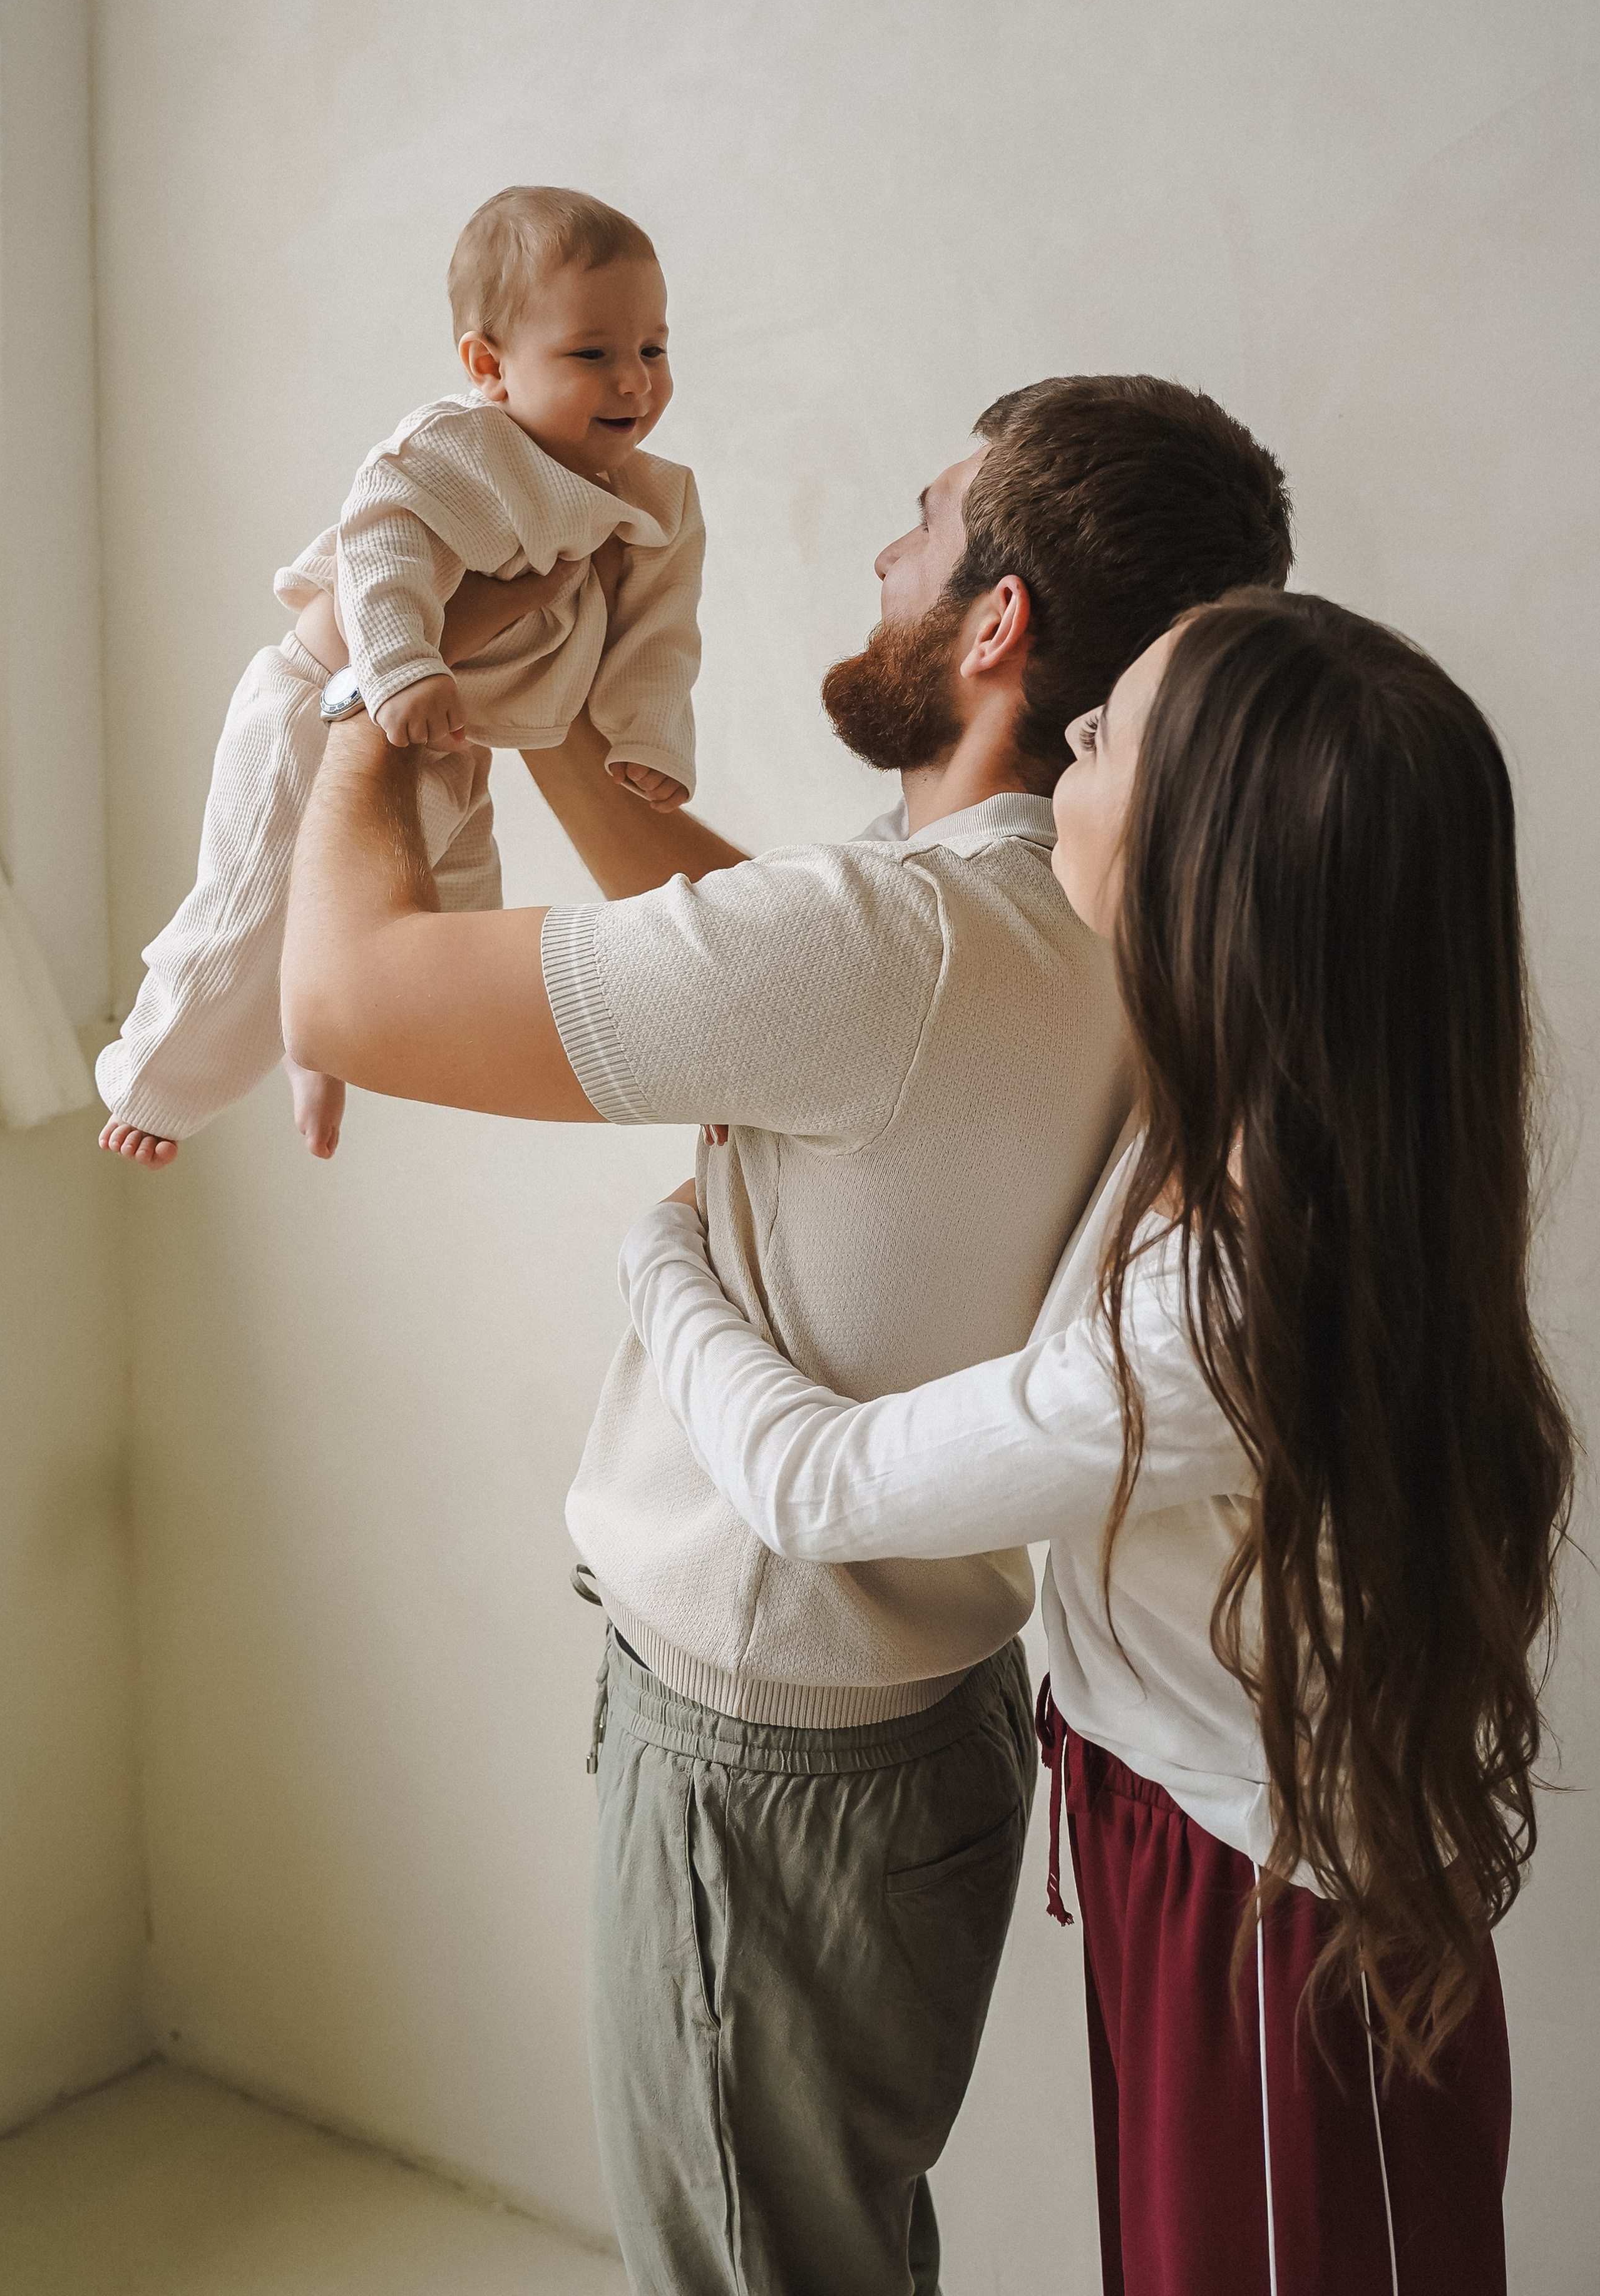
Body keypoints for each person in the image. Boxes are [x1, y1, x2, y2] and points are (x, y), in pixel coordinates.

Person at [279, 376, 1295, 2296]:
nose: (888, 553)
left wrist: (357, 678)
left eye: (925, 519)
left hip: (765, 1773)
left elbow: (340, 996)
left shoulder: (890, 950)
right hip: (920, 1727)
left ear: (997, 621)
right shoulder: (1112, 909)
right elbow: (807, 978)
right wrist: (573, 733)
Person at [616, 589, 1576, 2296]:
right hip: (1165, 1829)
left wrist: (667, 1254)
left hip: (1269, 1915)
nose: (1066, 736)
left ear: (1211, 863)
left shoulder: (1238, 1302)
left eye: (1111, 730)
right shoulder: (1260, 1094)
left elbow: (816, 1485)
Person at [98, 185, 702, 1168]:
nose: (634, 381)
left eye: (654, 349)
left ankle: (327, 1033)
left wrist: (648, 736)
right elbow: (380, 548)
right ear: (488, 365)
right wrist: (410, 662)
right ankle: (152, 1080)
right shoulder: (459, 448)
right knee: (250, 903)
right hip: (325, 702)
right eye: (593, 354)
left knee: (445, 929)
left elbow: (660, 634)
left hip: (450, 741)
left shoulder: (656, 498)